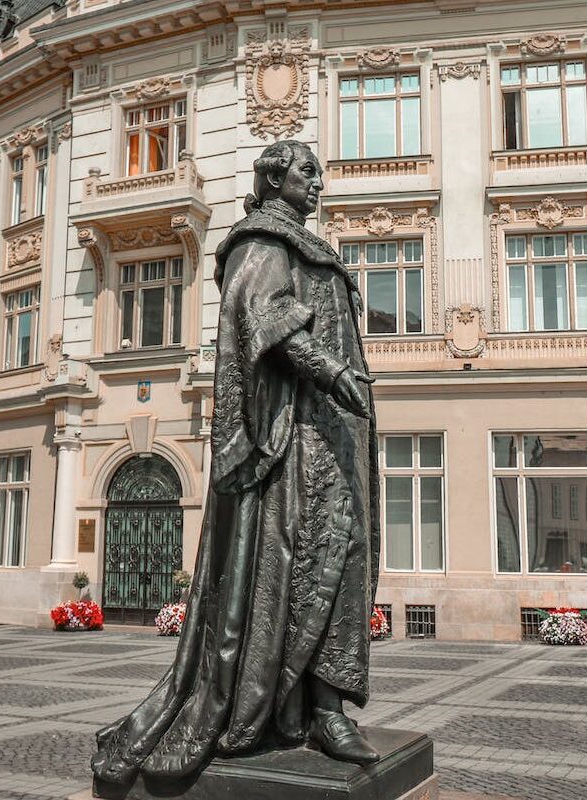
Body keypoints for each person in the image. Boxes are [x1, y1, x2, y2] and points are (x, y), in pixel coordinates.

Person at [93, 140, 380, 788]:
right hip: (291, 443)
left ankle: (325, 707)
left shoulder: (308, 247)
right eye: (309, 171)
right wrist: (333, 372)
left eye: (319, 171)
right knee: (300, 566)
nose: (319, 183)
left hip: (333, 437)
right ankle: (284, 705)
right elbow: (264, 320)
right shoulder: (258, 242)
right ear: (275, 178)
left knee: (342, 562)